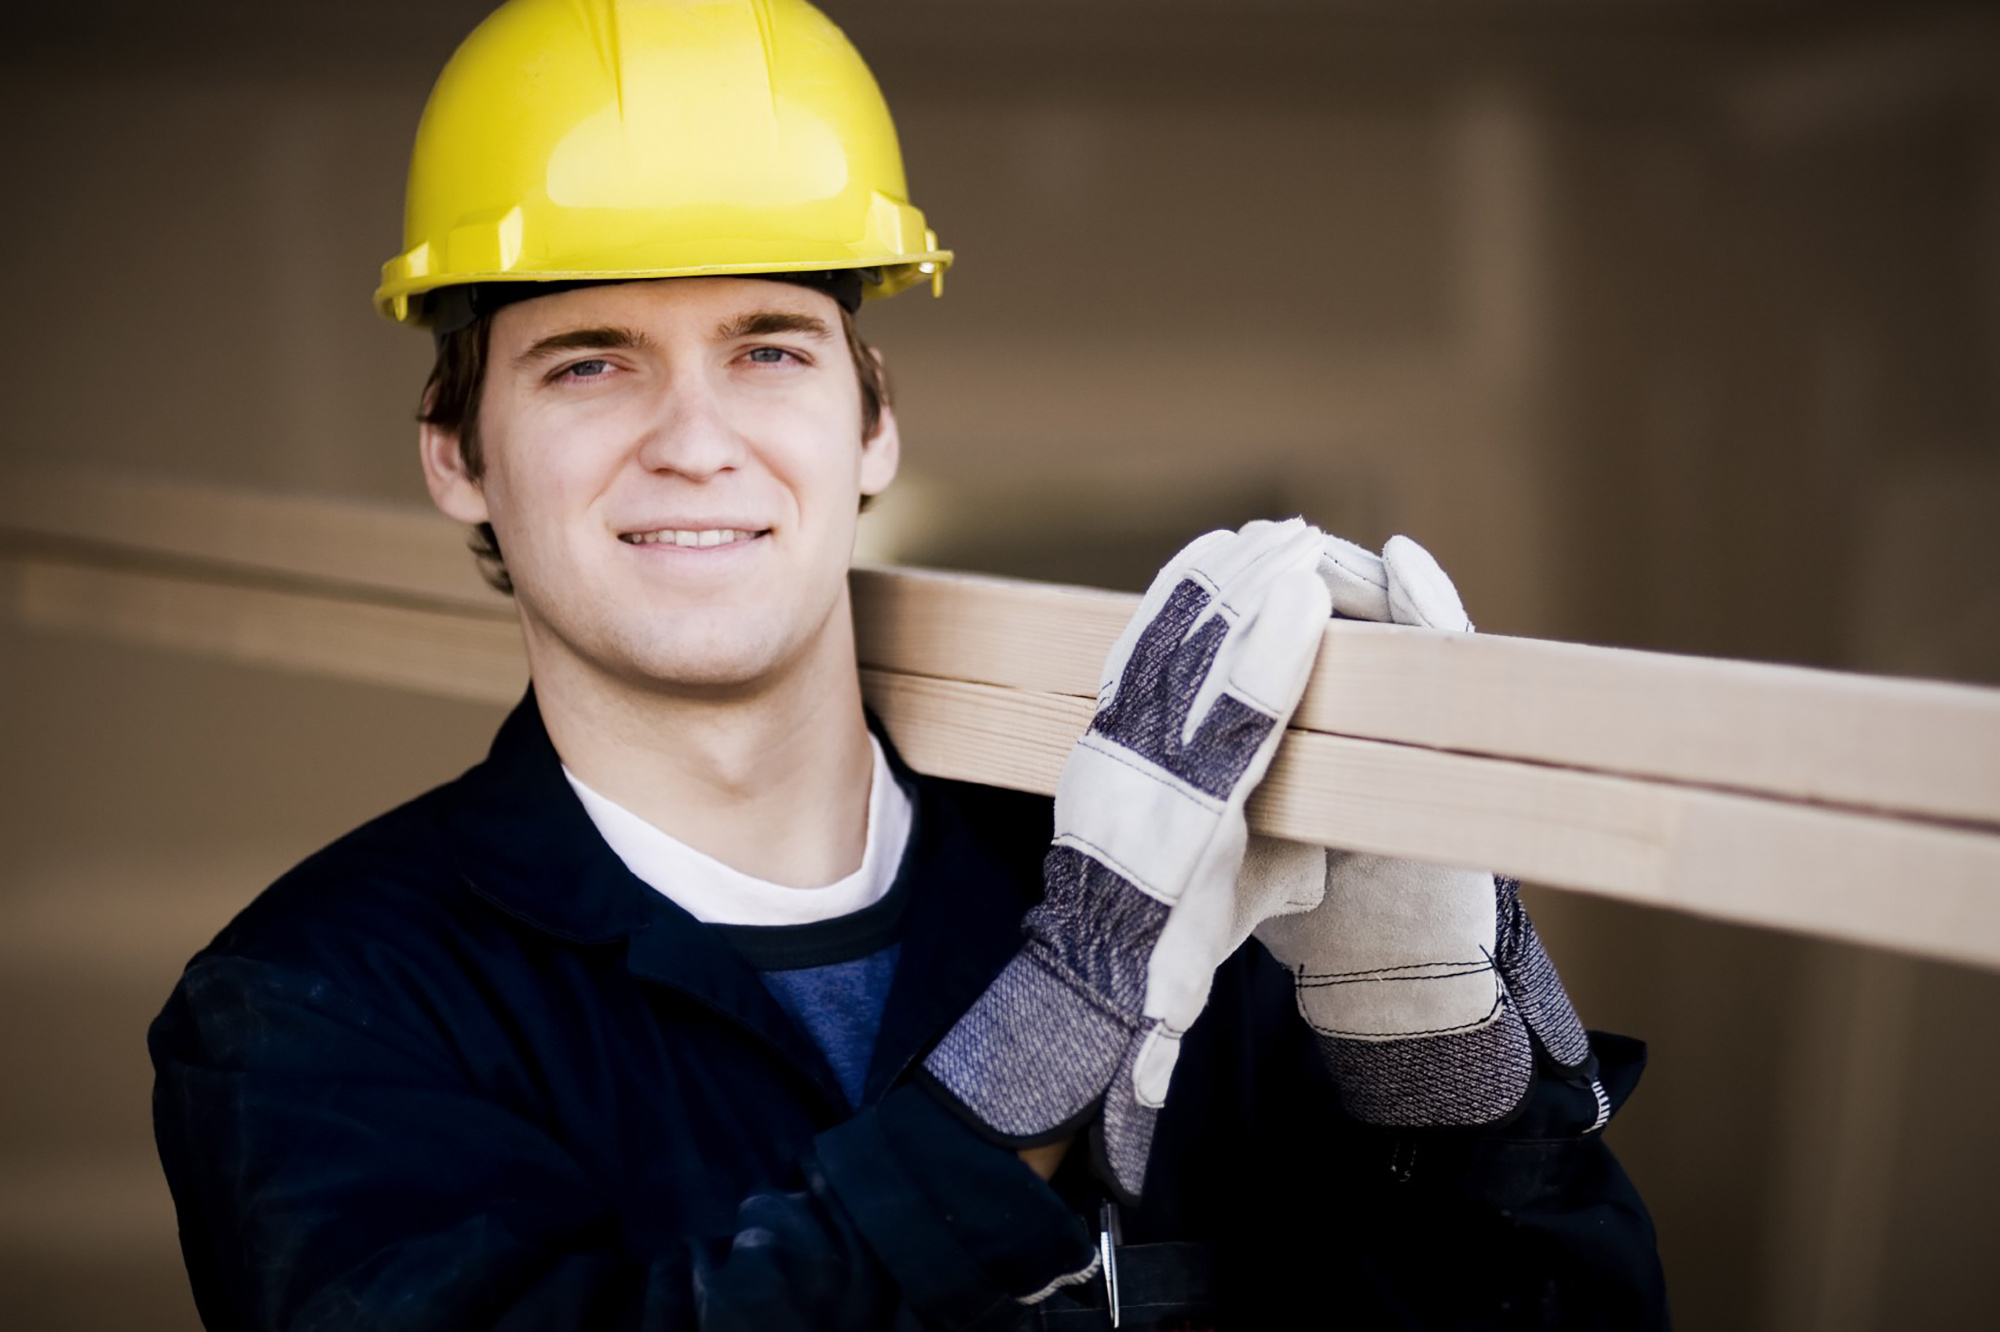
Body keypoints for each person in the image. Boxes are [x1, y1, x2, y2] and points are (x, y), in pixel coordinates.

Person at [149, 1, 1668, 1327]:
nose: (695, 442)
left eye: (768, 347)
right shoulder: (317, 1011)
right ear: (456, 454)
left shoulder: (1180, 886)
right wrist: (1042, 1043)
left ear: (872, 422)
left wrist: (1440, 1067)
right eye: (591, 361)